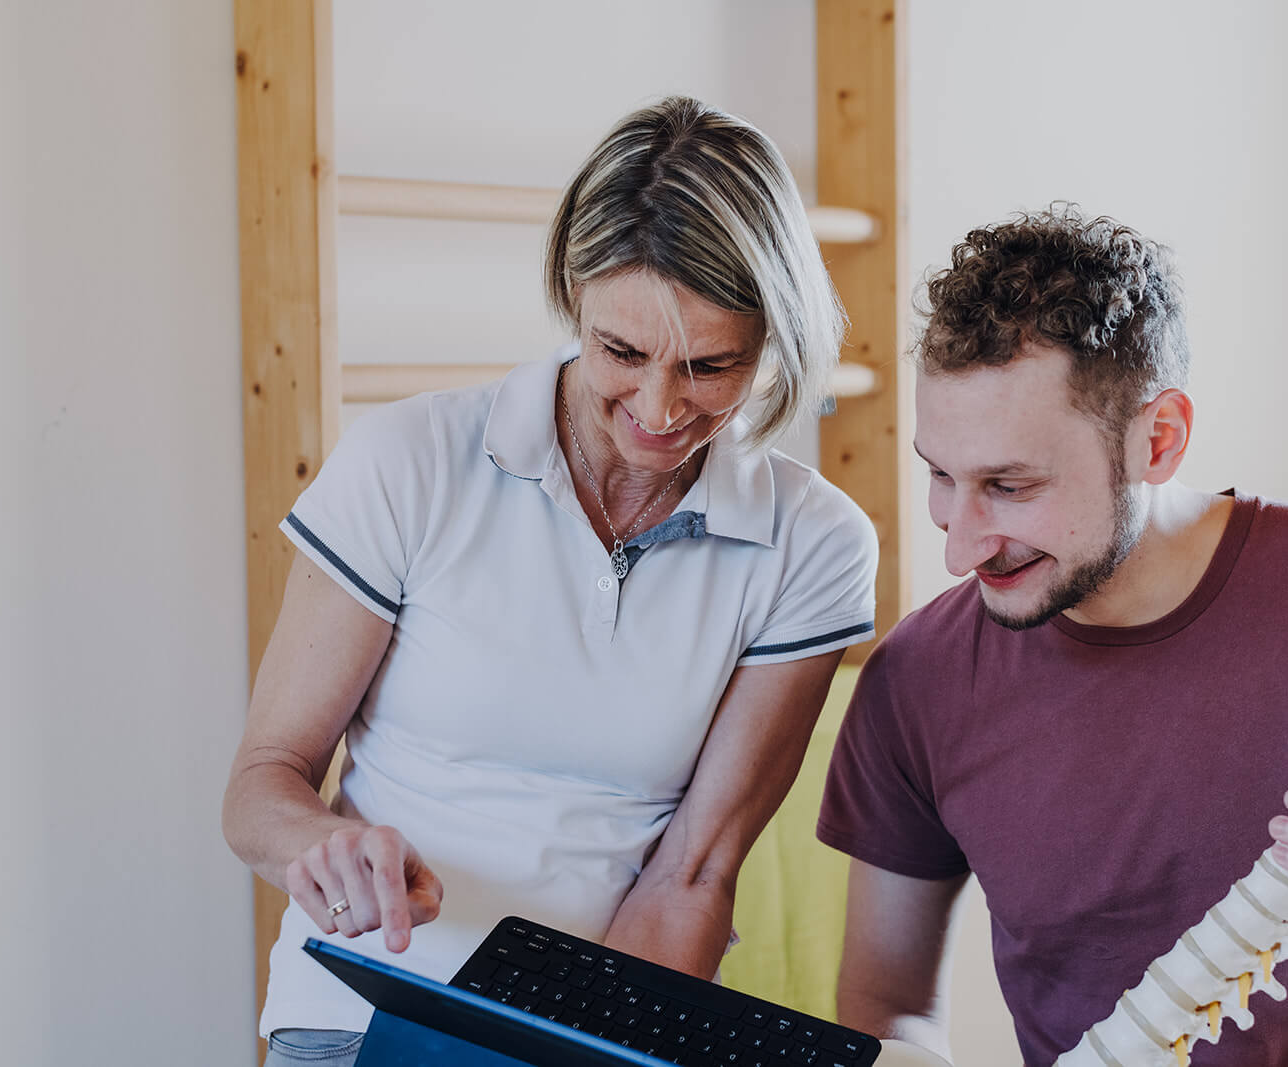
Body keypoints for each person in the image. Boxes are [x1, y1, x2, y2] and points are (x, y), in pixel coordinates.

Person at [223, 97, 879, 1065]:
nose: (658, 409)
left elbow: (692, 876)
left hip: (596, 1030)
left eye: (709, 365)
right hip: (358, 1013)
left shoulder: (812, 545)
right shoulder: (410, 460)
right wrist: (316, 845)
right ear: (575, 292)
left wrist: (566, 1047)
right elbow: (258, 785)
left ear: (769, 340)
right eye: (623, 351)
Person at [816, 205, 1288, 1065]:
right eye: (940, 474)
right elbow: (884, 1013)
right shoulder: (917, 680)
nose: (958, 544)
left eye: (1010, 484)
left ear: (1159, 438)